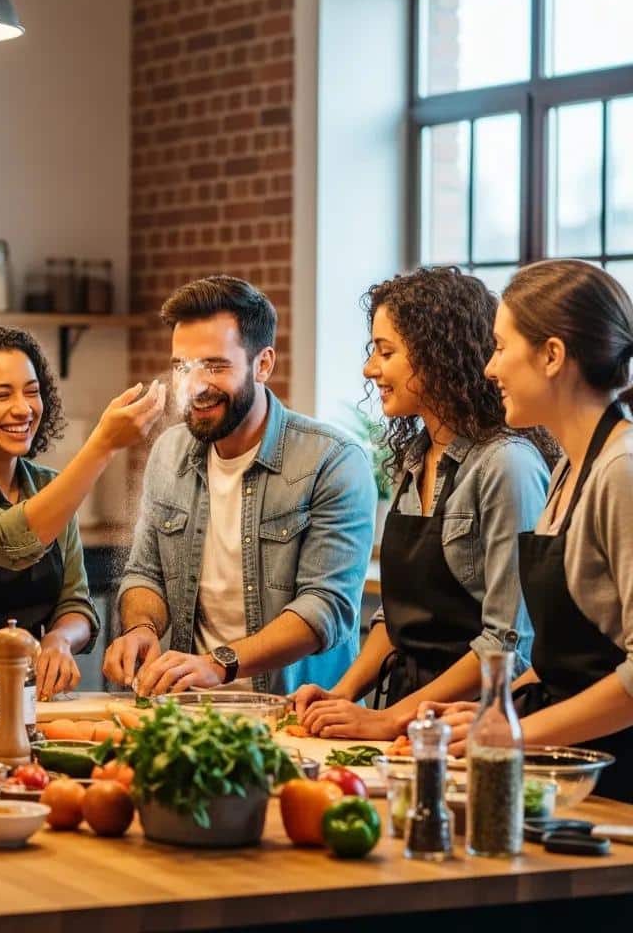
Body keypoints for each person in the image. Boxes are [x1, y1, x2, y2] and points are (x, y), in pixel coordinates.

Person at [290, 267, 553, 740]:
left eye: (385, 352)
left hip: (466, 731)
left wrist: (393, 719)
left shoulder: (506, 466)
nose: (371, 369)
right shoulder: (413, 460)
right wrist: (342, 694)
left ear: (438, 356)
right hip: (406, 721)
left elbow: (508, 646)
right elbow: (396, 619)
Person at [419, 260, 633, 803]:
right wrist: (498, 708)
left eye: (499, 347)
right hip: (574, 776)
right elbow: (566, 664)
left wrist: (510, 734)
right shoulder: (568, 466)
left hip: (617, 789)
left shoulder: (621, 471)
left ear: (552, 355)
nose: (489, 369)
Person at [103, 275, 375, 697]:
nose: (195, 386)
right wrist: (141, 627)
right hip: (189, 714)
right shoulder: (169, 452)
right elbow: (144, 572)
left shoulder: (333, 460)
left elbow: (326, 608)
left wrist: (218, 665)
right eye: (182, 367)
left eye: (215, 366)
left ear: (263, 364)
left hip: (297, 715)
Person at [0, 323, 166, 696]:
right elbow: (10, 542)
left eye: (32, 393)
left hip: (25, 700)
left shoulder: (50, 487)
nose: (23, 409)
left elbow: (76, 604)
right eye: (1, 395)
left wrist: (59, 639)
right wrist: (102, 446)